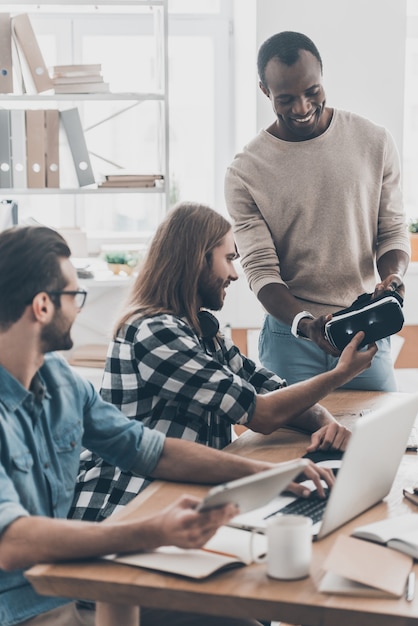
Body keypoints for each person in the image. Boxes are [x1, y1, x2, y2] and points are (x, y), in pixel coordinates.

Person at [0, 224, 336, 626]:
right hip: (24, 608)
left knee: (245, 614)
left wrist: (268, 473)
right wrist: (153, 531)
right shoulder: (150, 330)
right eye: (75, 295)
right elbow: (12, 541)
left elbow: (149, 449)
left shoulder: (59, 380)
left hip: (75, 580)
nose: (80, 307)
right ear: (42, 306)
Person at [70, 201, 376, 523]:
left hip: (189, 493)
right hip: (130, 503)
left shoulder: (205, 332)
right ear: (196, 260)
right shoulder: (155, 332)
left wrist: (327, 425)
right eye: (229, 258)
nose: (234, 274)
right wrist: (340, 374)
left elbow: (278, 394)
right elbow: (263, 413)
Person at [224, 30, 410, 391]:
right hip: (291, 338)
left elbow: (392, 229)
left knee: (377, 440)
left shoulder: (374, 141)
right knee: (289, 447)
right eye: (286, 98)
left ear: (322, 77)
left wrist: (393, 277)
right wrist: (306, 323)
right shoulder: (245, 172)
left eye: (312, 93)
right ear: (265, 91)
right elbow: (261, 271)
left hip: (365, 328)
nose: (302, 108)